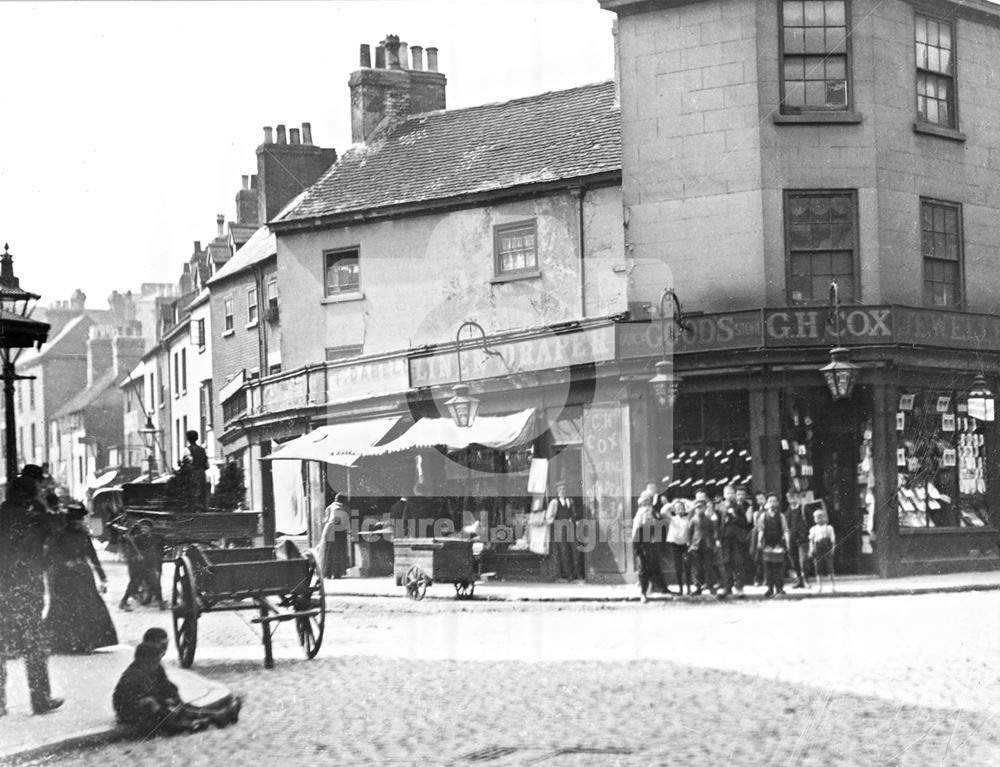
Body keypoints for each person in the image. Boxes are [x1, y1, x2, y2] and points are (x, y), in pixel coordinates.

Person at [0, 475, 64, 717]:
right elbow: (55, 532)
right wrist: (41, 505)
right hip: (26, 590)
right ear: (28, 495)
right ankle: (40, 699)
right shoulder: (33, 520)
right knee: (34, 647)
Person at [45, 502, 118, 654]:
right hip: (64, 576)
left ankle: (86, 642)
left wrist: (102, 577)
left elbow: (92, 556)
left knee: (88, 607)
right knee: (68, 607)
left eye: (80, 519)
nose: (79, 522)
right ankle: (64, 643)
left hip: (83, 575)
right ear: (70, 520)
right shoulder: (60, 535)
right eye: (75, 519)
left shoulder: (84, 535)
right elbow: (51, 554)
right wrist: (65, 563)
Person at [119, 522, 166, 611]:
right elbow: (131, 551)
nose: (143, 529)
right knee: (133, 584)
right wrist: (136, 556)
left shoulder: (152, 539)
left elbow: (153, 552)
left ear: (150, 530)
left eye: (146, 528)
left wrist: (153, 564)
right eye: (142, 528)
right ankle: (123, 602)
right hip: (139, 566)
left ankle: (161, 603)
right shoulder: (136, 539)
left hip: (148, 565)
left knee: (156, 584)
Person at [632, 489, 668, 602]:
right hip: (643, 546)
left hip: (652, 545)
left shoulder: (653, 513)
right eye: (644, 504)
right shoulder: (640, 517)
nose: (647, 506)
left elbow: (659, 523)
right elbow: (635, 534)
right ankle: (643, 593)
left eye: (648, 503)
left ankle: (661, 588)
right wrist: (637, 549)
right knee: (643, 569)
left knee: (655, 567)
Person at [717, 483, 750, 599]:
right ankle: (727, 587)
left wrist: (735, 516)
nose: (729, 495)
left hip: (737, 539)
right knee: (726, 563)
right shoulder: (720, 507)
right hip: (725, 538)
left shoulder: (739, 507)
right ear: (723, 495)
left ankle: (739, 587)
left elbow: (744, 523)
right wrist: (718, 538)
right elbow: (718, 524)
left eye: (731, 493)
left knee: (738, 562)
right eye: (727, 493)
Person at [545, 481, 578, 582]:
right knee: (563, 551)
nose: (562, 491)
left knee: (573, 549)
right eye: (560, 489)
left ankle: (575, 573)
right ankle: (567, 575)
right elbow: (548, 517)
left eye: (564, 489)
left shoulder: (570, 501)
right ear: (557, 491)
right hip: (559, 530)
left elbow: (573, 514)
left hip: (570, 529)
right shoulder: (554, 502)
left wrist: (573, 521)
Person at [758, 494, 790, 597]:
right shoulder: (763, 516)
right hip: (767, 544)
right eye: (770, 501)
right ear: (767, 503)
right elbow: (761, 529)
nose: (772, 503)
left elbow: (785, 530)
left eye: (774, 501)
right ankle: (770, 588)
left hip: (778, 544)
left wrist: (787, 542)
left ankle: (779, 588)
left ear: (777, 503)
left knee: (779, 567)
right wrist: (759, 541)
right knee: (768, 567)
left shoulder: (781, 516)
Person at [686, 497, 717, 596]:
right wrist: (689, 545)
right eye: (698, 507)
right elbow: (689, 533)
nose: (700, 509)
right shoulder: (693, 520)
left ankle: (711, 587)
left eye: (702, 507)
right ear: (695, 509)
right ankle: (698, 588)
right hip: (695, 547)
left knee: (709, 568)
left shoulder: (708, 520)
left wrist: (713, 544)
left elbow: (713, 532)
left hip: (707, 547)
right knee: (697, 569)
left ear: (705, 508)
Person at [318, 493, 351, 578]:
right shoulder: (345, 508)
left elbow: (325, 520)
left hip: (328, 529)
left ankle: (327, 573)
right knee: (338, 551)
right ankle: (336, 573)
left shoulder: (329, 507)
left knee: (328, 551)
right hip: (339, 530)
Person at [665, 499, 692, 595]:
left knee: (687, 566)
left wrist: (684, 501)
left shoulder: (688, 518)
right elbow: (663, 511)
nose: (680, 510)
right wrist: (672, 503)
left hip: (685, 545)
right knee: (678, 567)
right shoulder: (672, 518)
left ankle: (688, 588)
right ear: (675, 511)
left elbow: (692, 507)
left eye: (682, 508)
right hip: (675, 545)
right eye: (678, 509)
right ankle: (680, 589)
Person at [787, 492, 813, 589]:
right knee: (794, 561)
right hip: (792, 539)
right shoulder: (789, 510)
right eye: (790, 497)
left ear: (798, 497)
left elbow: (811, 522)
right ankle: (799, 580)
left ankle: (805, 580)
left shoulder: (804, 508)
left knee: (803, 561)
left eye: (793, 497)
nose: (792, 499)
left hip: (803, 538)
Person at [809, 509, 837, 593]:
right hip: (817, 549)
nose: (819, 519)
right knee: (818, 568)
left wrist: (832, 549)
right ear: (814, 519)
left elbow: (832, 540)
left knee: (829, 567)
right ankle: (820, 586)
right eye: (817, 517)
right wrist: (811, 549)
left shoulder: (829, 528)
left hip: (826, 548)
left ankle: (833, 586)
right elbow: (811, 540)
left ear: (825, 517)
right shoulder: (813, 529)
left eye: (821, 517)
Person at [186, 431, 209, 508]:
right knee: (202, 493)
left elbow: (186, 464)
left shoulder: (187, 450)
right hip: (201, 473)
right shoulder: (202, 450)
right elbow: (206, 465)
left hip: (192, 474)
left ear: (188, 439)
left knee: (193, 493)